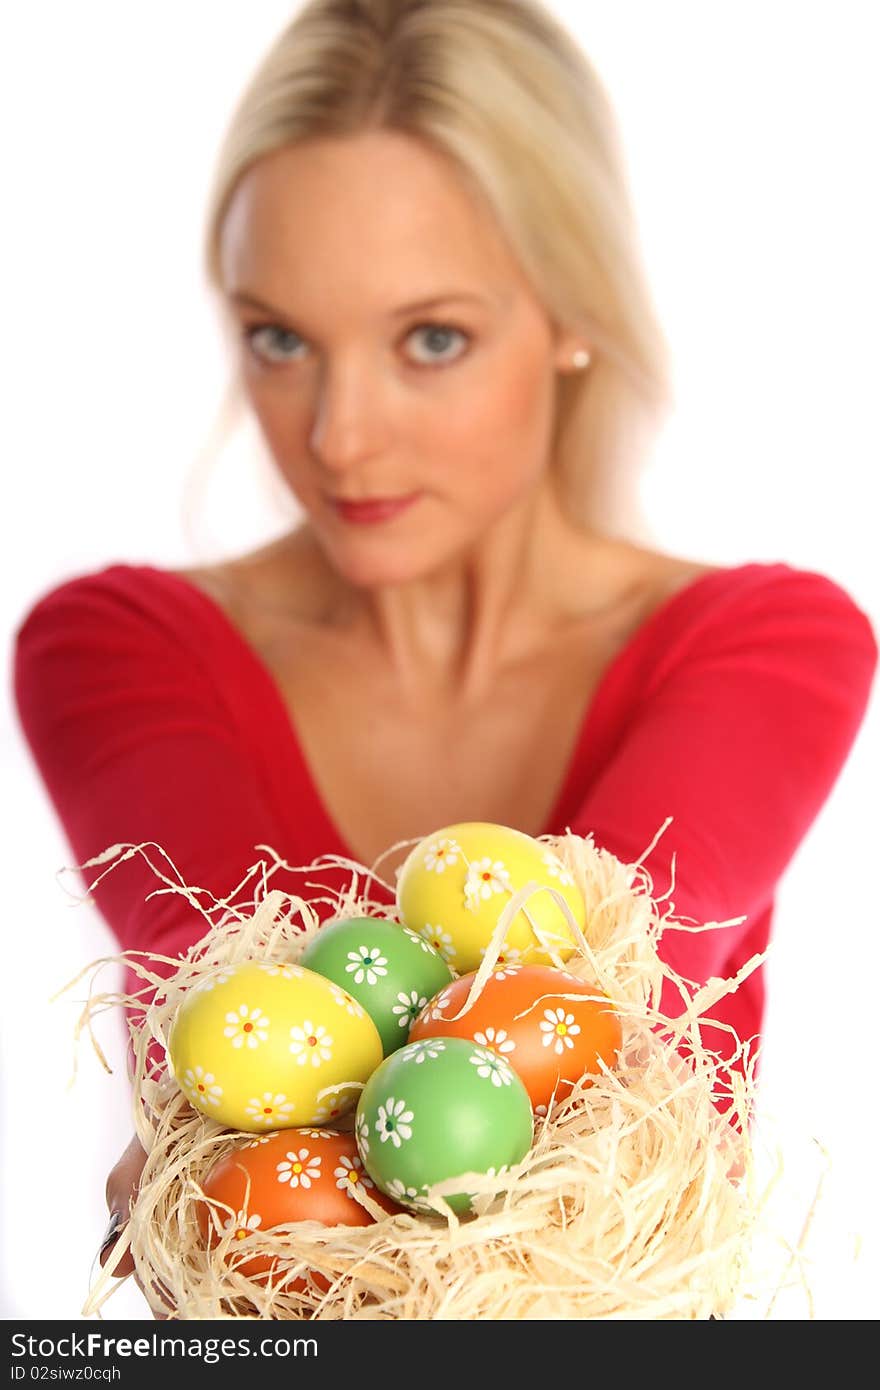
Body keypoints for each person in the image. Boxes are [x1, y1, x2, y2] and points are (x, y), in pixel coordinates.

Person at [12, 0, 877, 1307]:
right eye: (281, 338)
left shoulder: (769, 648)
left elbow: (583, 1023)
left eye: (431, 339)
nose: (342, 435)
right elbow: (275, 1025)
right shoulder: (116, 648)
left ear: (573, 314)